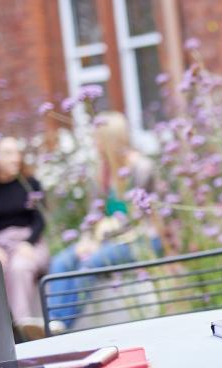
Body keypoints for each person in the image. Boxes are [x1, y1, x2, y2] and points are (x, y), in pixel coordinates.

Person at [47, 111, 168, 330]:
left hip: (142, 238)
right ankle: (52, 320)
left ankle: (62, 324)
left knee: (89, 264)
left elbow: (144, 216)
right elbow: (94, 215)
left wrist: (108, 231)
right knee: (61, 261)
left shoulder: (142, 169)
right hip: (106, 237)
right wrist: (86, 239)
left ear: (109, 139)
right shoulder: (101, 173)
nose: (95, 144)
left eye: (97, 139)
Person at [0, 136, 50, 336]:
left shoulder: (30, 183)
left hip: (29, 241)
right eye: (8, 153)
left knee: (19, 267)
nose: (15, 158)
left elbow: (41, 219)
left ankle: (22, 328)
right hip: (1, 242)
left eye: (17, 152)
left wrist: (29, 242)